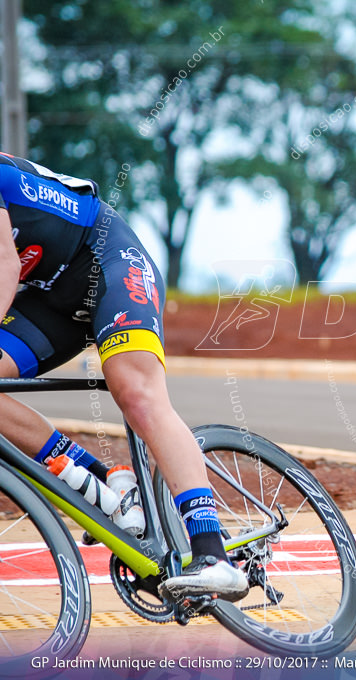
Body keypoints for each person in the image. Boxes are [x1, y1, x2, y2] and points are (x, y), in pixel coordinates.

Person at [0, 152, 247, 601]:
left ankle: (213, 554)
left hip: (106, 257)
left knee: (135, 391)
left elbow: (5, 264)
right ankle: (105, 482)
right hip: (48, 301)